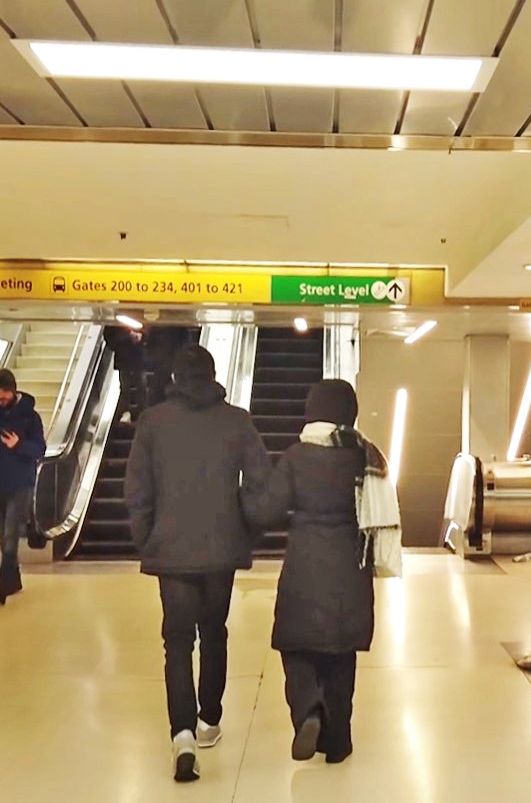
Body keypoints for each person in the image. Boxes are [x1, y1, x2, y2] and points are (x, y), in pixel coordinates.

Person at [124, 345, 271, 783]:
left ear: (174, 378)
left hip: (170, 549)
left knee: (177, 640)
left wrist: (147, 539)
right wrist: (246, 532)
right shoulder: (237, 420)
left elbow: (137, 489)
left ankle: (183, 735)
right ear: (213, 375)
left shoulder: (153, 422)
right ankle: (209, 720)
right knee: (214, 632)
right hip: (221, 548)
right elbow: (261, 484)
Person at [246, 379, 380, 764]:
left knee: (297, 645)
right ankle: (338, 742)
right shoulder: (367, 457)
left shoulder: (297, 457)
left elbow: (267, 511)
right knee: (341, 655)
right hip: (351, 570)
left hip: (305, 568)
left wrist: (243, 496)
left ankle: (308, 708)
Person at [0, 368, 46, 605]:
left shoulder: (30, 417)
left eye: (5, 392)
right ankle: (14, 579)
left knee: (11, 535)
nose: (0, 397)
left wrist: (19, 444)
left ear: (13, 391)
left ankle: (3, 584)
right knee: (3, 537)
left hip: (21, 484)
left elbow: (40, 449)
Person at [101, 322, 146, 421]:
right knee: (126, 387)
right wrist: (129, 336)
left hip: (136, 358)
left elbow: (149, 332)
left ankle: (140, 412)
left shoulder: (136, 318)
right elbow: (109, 338)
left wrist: (141, 336)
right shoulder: (116, 322)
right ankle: (127, 412)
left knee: (139, 386)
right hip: (126, 358)